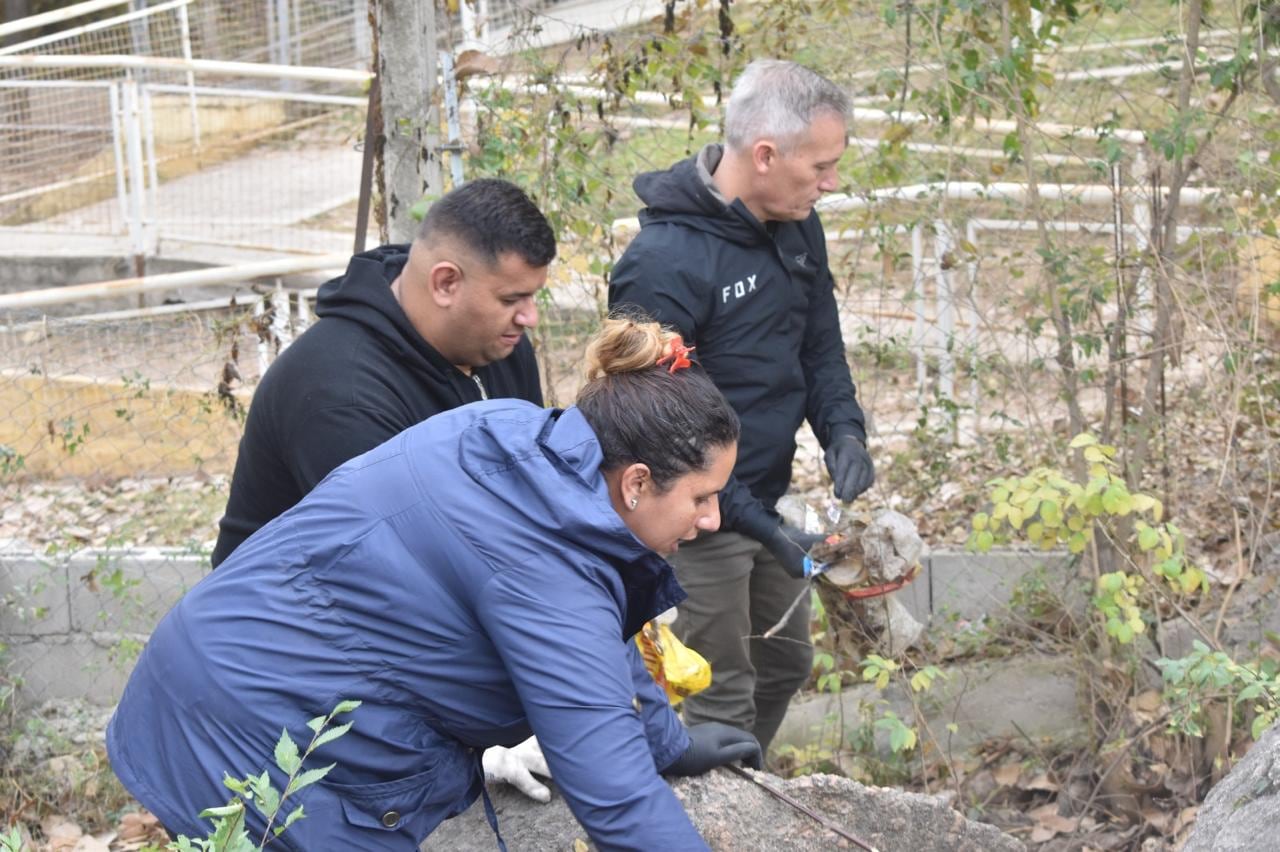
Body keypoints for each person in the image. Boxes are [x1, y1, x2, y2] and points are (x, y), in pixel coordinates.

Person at [106, 316, 762, 851]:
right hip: (258, 744)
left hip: (209, 659)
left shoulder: (513, 437)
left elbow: (595, 625)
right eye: (703, 497)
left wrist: (666, 742)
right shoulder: (547, 575)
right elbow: (617, 802)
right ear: (637, 482)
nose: (711, 519)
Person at [608, 60, 874, 755]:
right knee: (719, 694)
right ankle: (713, 818)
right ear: (764, 156)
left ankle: (739, 793)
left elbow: (821, 345)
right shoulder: (663, 264)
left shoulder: (795, 225)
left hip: (761, 501)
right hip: (694, 515)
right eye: (820, 166)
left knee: (785, 663)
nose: (831, 182)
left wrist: (844, 430)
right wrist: (763, 523)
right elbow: (664, 428)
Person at [211, 177, 554, 569]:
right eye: (511, 299)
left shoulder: (499, 344)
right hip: (291, 619)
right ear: (445, 283)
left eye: (532, 295)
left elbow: (533, 490)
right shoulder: (343, 395)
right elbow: (415, 568)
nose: (530, 317)